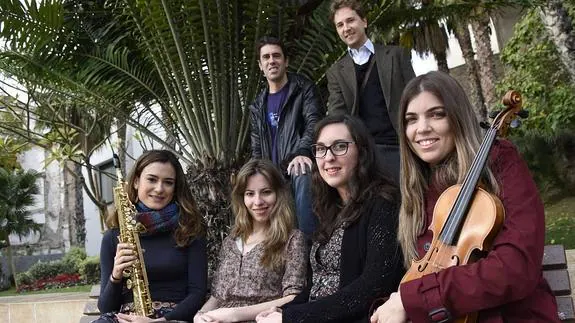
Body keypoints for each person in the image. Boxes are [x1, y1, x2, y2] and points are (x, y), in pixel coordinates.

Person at [370, 71, 559, 323]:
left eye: (437, 114)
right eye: (411, 119)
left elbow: (516, 267)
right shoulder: (416, 188)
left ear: (457, 117)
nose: (422, 128)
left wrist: (413, 299)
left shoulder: (499, 162)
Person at [256, 114, 404, 323]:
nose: (328, 157)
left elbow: (373, 286)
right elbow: (316, 285)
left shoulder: (383, 203)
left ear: (361, 152)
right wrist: (282, 310)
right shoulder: (330, 209)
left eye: (340, 146)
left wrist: (292, 317)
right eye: (321, 149)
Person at [96, 150, 207, 323]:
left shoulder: (190, 231)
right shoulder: (113, 237)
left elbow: (197, 294)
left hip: (172, 319)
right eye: (152, 179)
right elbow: (105, 308)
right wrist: (116, 275)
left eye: (168, 182)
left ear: (175, 188)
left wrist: (160, 322)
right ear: (135, 182)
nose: (159, 189)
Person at [194, 159, 307, 323]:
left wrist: (234, 314)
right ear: (242, 198)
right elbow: (217, 296)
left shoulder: (292, 239)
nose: (258, 201)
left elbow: (293, 297)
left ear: (279, 194)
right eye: (250, 194)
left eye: (266, 192)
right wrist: (200, 316)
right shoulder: (230, 242)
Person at [326, 0, 415, 184]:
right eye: (340, 25)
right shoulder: (336, 72)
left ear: (364, 21)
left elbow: (415, 99)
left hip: (400, 147)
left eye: (350, 21)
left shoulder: (397, 56)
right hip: (365, 155)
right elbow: (338, 117)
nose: (346, 28)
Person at [250, 36, 324, 239]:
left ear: (286, 61)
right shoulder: (257, 106)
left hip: (296, 167)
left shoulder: (303, 89)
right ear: (260, 65)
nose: (271, 61)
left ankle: (308, 246)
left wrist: (302, 152)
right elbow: (256, 149)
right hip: (272, 174)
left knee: (302, 170)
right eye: (266, 57)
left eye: (276, 56)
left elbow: (314, 123)